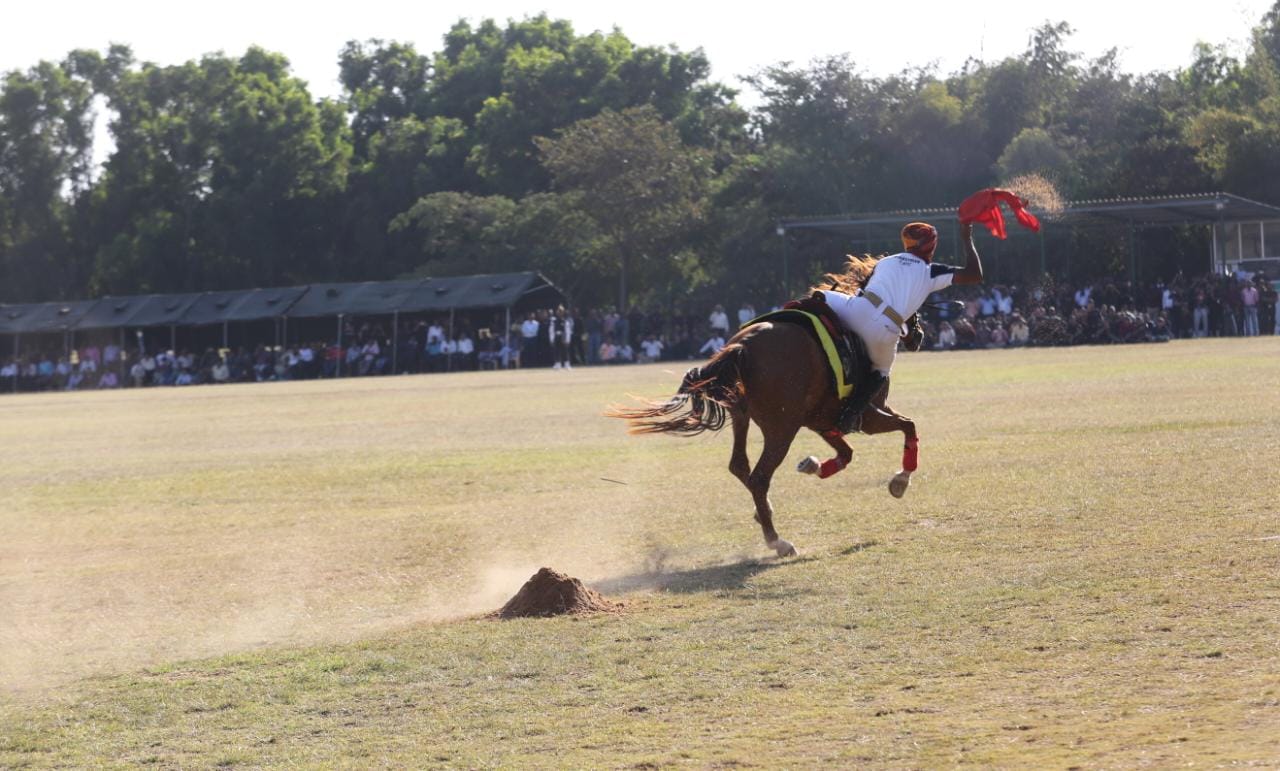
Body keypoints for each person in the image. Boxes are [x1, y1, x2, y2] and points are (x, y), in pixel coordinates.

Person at [818, 221, 983, 431]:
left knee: (821, 296)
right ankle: (849, 417)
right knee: (881, 371)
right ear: (931, 246)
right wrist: (967, 239)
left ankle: (792, 320)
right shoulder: (930, 271)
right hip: (886, 329)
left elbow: (867, 289)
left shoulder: (885, 262)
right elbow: (975, 274)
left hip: (859, 308)